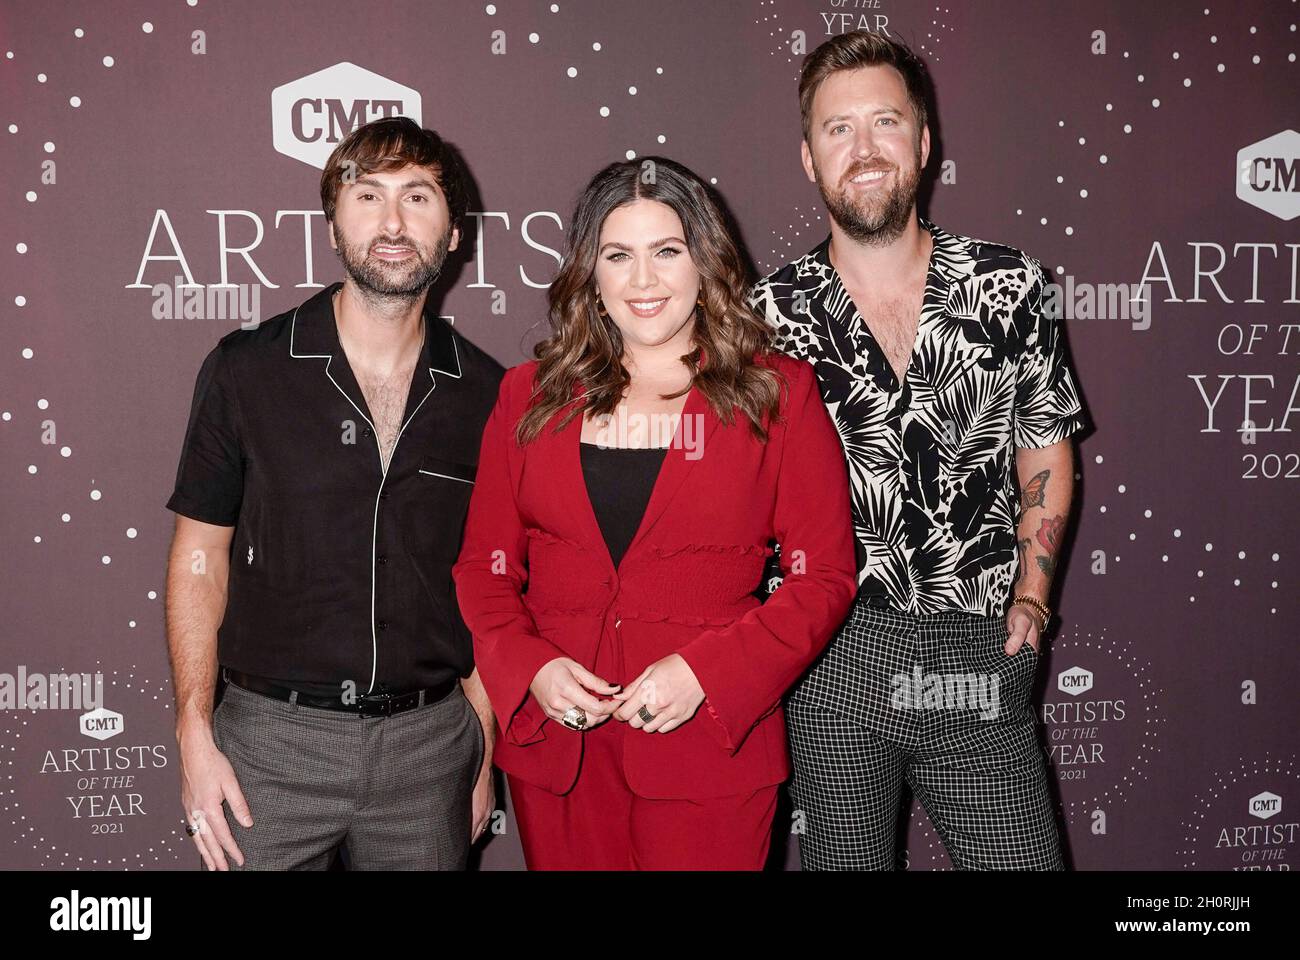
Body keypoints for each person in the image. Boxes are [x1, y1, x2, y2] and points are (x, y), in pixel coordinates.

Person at [452, 156, 857, 870]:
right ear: (591, 274)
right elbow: (484, 570)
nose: (643, 281)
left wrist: (707, 674)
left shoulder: (776, 394)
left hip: (708, 743)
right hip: (560, 753)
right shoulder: (527, 397)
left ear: (704, 264)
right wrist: (531, 668)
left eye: (667, 252)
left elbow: (822, 578)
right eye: (619, 255)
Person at [750, 31, 1090, 869]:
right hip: (832, 657)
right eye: (838, 130)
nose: (863, 151)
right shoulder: (765, 318)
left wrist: (1034, 600)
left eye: (885, 123)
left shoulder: (1008, 284)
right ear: (808, 157)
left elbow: (1044, 449)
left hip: (980, 649)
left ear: (924, 141)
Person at [164, 117, 502, 870]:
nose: (391, 221)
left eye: (418, 197)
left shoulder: (490, 395)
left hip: (430, 749)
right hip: (268, 748)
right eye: (367, 195)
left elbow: (493, 580)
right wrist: (192, 730)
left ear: (454, 235)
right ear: (332, 226)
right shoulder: (246, 370)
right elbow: (199, 555)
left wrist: (480, 742)